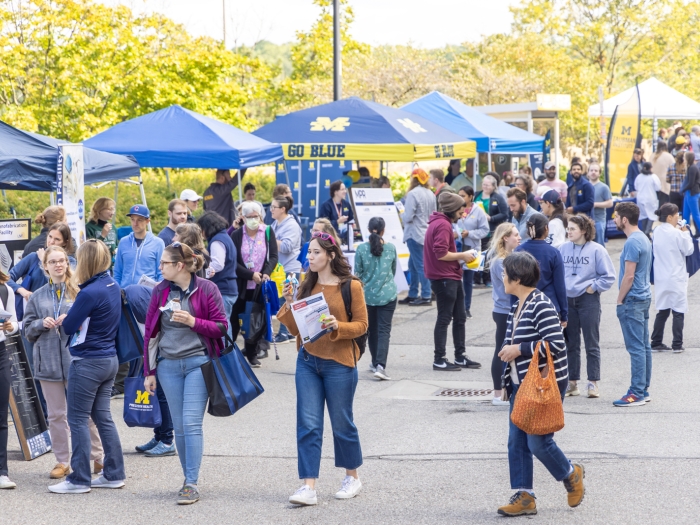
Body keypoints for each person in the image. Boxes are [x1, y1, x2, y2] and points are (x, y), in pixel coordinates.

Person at [276, 231, 368, 507]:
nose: (310, 257)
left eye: (316, 252)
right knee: (308, 424)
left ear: (330, 255)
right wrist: (290, 304)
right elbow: (296, 330)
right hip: (308, 361)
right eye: (309, 252)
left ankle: (352, 477)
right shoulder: (306, 285)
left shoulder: (350, 286)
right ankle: (308, 486)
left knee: (342, 423)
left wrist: (338, 326)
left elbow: (362, 325)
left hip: (340, 363)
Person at [496, 252, 584, 517]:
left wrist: (519, 349)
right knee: (516, 442)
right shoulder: (517, 304)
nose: (502, 277)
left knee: (538, 443)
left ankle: (571, 474)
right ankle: (525, 496)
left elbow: (557, 344)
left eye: (505, 273)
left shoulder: (540, 303)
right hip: (521, 385)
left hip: (543, 386)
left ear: (518, 278)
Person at [143, 242, 228, 505]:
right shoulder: (160, 291)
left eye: (164, 263)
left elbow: (221, 327)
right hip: (168, 365)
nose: (160, 267)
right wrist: (150, 371)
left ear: (180, 265)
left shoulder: (207, 289)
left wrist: (193, 322)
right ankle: (186, 477)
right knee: (179, 427)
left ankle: (191, 482)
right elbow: (150, 333)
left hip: (197, 363)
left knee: (191, 424)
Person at [48, 240, 125, 494]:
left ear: (87, 261)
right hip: (109, 359)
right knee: (103, 417)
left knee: (77, 418)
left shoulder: (89, 292)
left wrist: (67, 317)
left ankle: (79, 479)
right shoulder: (112, 284)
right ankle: (114, 473)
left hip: (88, 361)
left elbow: (69, 327)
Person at [23, 246, 105, 479]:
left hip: (77, 360)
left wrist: (73, 320)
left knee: (84, 412)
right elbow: (27, 330)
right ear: (45, 266)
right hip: (47, 363)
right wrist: (41, 323)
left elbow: (93, 323)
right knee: (56, 414)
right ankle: (62, 461)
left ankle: (98, 456)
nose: (58, 265)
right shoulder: (37, 296)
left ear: (68, 264)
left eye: (62, 261)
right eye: (53, 262)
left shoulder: (79, 292)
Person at [559, 215, 615, 398]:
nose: (569, 232)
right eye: (568, 228)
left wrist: (593, 288)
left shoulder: (597, 250)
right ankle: (572, 383)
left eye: (573, 229)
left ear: (583, 230)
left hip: (588, 299)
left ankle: (593, 383)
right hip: (568, 300)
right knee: (571, 343)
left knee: (592, 343)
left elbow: (608, 276)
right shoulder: (562, 249)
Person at [424, 192, 481, 371]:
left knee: (460, 317)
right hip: (444, 278)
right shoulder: (442, 225)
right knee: (445, 318)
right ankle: (439, 359)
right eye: (461, 209)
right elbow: (441, 253)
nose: (463, 213)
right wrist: (463, 255)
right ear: (452, 209)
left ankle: (459, 356)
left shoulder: (441, 223)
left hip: (450, 276)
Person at [613, 202, 653, 406]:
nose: (614, 219)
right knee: (644, 346)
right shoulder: (644, 238)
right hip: (644, 297)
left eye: (616, 216)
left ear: (624, 220)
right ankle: (643, 389)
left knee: (636, 347)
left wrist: (619, 300)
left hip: (633, 299)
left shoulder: (632, 242)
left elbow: (628, 276)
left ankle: (636, 392)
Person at [230, 201, 279, 366]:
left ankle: (252, 353)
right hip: (242, 284)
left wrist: (265, 273)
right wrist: (250, 275)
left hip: (260, 286)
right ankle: (230, 354)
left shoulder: (267, 231)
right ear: (243, 217)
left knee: (256, 320)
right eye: (249, 217)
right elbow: (233, 262)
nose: (253, 219)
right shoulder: (236, 235)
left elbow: (273, 256)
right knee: (235, 319)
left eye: (256, 216)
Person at [354, 217, 398, 381]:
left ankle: (374, 362)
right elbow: (393, 272)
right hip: (388, 294)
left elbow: (357, 273)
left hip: (367, 296)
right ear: (383, 230)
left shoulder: (361, 249)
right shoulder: (391, 248)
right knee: (384, 331)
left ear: (368, 229)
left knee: (371, 330)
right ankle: (381, 365)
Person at [650, 203, 694, 353]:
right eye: (677, 216)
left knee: (662, 309)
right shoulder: (677, 233)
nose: (678, 218)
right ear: (669, 217)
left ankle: (656, 342)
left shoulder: (656, 231)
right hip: (676, 276)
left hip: (661, 276)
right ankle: (677, 344)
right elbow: (689, 250)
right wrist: (685, 233)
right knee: (678, 310)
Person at [488, 223, 521, 406]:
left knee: (508, 350)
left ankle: (506, 391)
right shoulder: (500, 262)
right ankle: (497, 394)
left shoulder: (512, 257)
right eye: (515, 234)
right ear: (505, 238)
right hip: (503, 310)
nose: (519, 237)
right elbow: (511, 288)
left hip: (508, 309)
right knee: (501, 350)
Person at [514, 213, 568, 325]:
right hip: (549, 305)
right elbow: (560, 286)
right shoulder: (553, 253)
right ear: (546, 228)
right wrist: (564, 313)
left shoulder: (518, 251)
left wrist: (514, 308)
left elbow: (513, 282)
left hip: (524, 306)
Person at [197, 211, 238, 338]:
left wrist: (202, 273)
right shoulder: (225, 237)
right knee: (225, 325)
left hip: (223, 289)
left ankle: (229, 356)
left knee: (222, 328)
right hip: (229, 288)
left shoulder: (217, 241)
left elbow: (218, 264)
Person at [400, 168, 436, 305]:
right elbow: (434, 214)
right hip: (427, 233)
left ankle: (426, 295)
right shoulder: (430, 194)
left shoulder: (413, 194)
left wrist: (401, 214)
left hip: (414, 234)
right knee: (413, 265)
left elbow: (408, 217)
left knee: (420, 266)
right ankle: (413, 293)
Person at [271, 196, 303, 343]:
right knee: (284, 299)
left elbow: (286, 247)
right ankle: (289, 332)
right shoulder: (275, 224)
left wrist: (270, 240)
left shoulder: (292, 225)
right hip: (280, 269)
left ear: (283, 209)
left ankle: (284, 333)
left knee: (288, 298)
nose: (271, 210)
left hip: (291, 268)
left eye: (274, 207)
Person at [0, 252, 19, 489]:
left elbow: (14, 324)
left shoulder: (6, 290)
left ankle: (2, 471)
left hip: (1, 351)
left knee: (1, 415)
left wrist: (10, 325)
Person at [456, 185, 489, 318]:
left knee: (468, 280)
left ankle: (466, 308)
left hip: (472, 249)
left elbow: (485, 230)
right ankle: (457, 308)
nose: (460, 198)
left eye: (463, 195)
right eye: (459, 195)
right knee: (456, 279)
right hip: (458, 248)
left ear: (471, 197)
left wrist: (470, 233)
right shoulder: (456, 209)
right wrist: (458, 234)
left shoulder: (478, 211)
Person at [114, 204, 165, 288]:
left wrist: (158, 293)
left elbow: (162, 272)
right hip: (125, 295)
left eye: (139, 220)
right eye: (132, 219)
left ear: (147, 221)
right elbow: (117, 271)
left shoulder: (158, 243)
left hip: (147, 295)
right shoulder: (123, 242)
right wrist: (118, 291)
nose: (135, 223)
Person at [475, 174, 509, 286]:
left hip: (490, 231)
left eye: (487, 185)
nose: (485, 187)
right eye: (483, 184)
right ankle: (476, 279)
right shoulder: (477, 195)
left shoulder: (498, 198)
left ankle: (487, 278)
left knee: (488, 254)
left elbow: (505, 214)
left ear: (494, 186)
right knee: (477, 253)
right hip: (477, 230)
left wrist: (491, 218)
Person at [319, 180, 355, 246]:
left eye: (345, 189)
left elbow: (351, 219)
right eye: (342, 189)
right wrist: (337, 221)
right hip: (331, 240)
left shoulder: (346, 204)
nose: (345, 191)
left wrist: (352, 225)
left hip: (345, 240)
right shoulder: (326, 205)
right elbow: (323, 224)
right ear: (335, 192)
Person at [85, 198, 118, 269]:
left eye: (113, 209)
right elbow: (90, 251)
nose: (113, 212)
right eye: (110, 209)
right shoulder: (89, 227)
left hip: (112, 268)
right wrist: (102, 235)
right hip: (97, 269)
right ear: (100, 209)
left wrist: (116, 250)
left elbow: (115, 246)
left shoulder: (113, 228)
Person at [587, 163, 613, 245]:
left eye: (596, 170)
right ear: (588, 172)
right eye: (591, 170)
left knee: (599, 245)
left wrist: (594, 204)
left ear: (599, 173)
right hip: (586, 220)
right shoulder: (585, 186)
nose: (593, 172)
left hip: (599, 221)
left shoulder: (604, 187)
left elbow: (610, 203)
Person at [635, 162, 661, 235]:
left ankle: (644, 231)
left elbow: (636, 187)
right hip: (650, 198)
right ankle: (647, 231)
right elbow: (658, 188)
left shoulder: (639, 177)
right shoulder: (653, 177)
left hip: (640, 199)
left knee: (643, 215)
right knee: (652, 215)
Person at [681, 151, 700, 236]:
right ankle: (685, 232)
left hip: (692, 194)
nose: (683, 159)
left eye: (684, 158)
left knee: (696, 215)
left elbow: (691, 183)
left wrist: (682, 189)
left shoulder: (692, 168)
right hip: (688, 193)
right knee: (685, 214)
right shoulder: (690, 167)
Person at [652, 141, 675, 206]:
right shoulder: (669, 156)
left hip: (653, 183)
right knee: (663, 204)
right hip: (664, 184)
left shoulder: (652, 155)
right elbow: (674, 168)